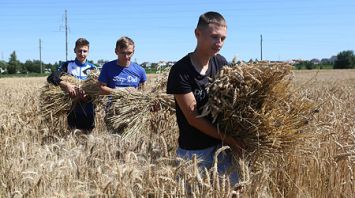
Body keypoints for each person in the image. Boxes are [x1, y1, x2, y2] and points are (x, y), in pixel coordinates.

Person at [166, 11, 244, 185]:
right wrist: (229, 139)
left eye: (223, 38)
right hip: (194, 153)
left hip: (223, 149)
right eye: (215, 37)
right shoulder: (181, 71)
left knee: (233, 192)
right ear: (197, 34)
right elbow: (193, 118)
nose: (219, 43)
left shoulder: (221, 63)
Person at [47, 38, 97, 133]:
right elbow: (51, 77)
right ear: (75, 50)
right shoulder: (67, 65)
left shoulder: (93, 68)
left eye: (84, 51)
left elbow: (97, 88)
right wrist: (66, 84)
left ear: (88, 52)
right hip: (72, 109)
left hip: (88, 109)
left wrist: (88, 96)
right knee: (72, 136)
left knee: (88, 137)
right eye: (79, 51)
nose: (82, 53)